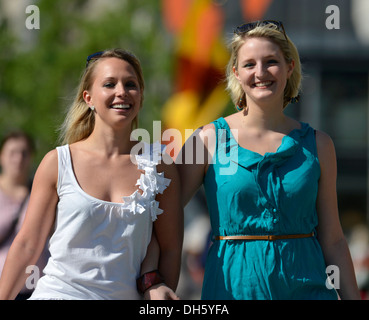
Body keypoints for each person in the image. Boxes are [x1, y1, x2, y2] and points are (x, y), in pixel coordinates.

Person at [177, 20, 360, 299]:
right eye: (249, 64)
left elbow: (333, 238)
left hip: (308, 290)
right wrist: (154, 280)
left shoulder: (319, 145)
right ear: (237, 73)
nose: (260, 72)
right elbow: (164, 212)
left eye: (271, 61)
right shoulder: (206, 139)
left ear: (290, 67)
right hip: (233, 291)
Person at [0, 49, 183, 300]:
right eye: (109, 84)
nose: (122, 91)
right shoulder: (58, 162)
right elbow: (27, 244)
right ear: (89, 98)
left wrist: (158, 290)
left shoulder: (159, 163)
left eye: (131, 84)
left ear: (140, 97)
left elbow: (170, 248)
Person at [0, 132, 48, 299]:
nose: (18, 159)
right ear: (2, 156)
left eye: (24, 153)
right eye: (13, 153)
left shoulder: (42, 192)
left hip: (37, 287)